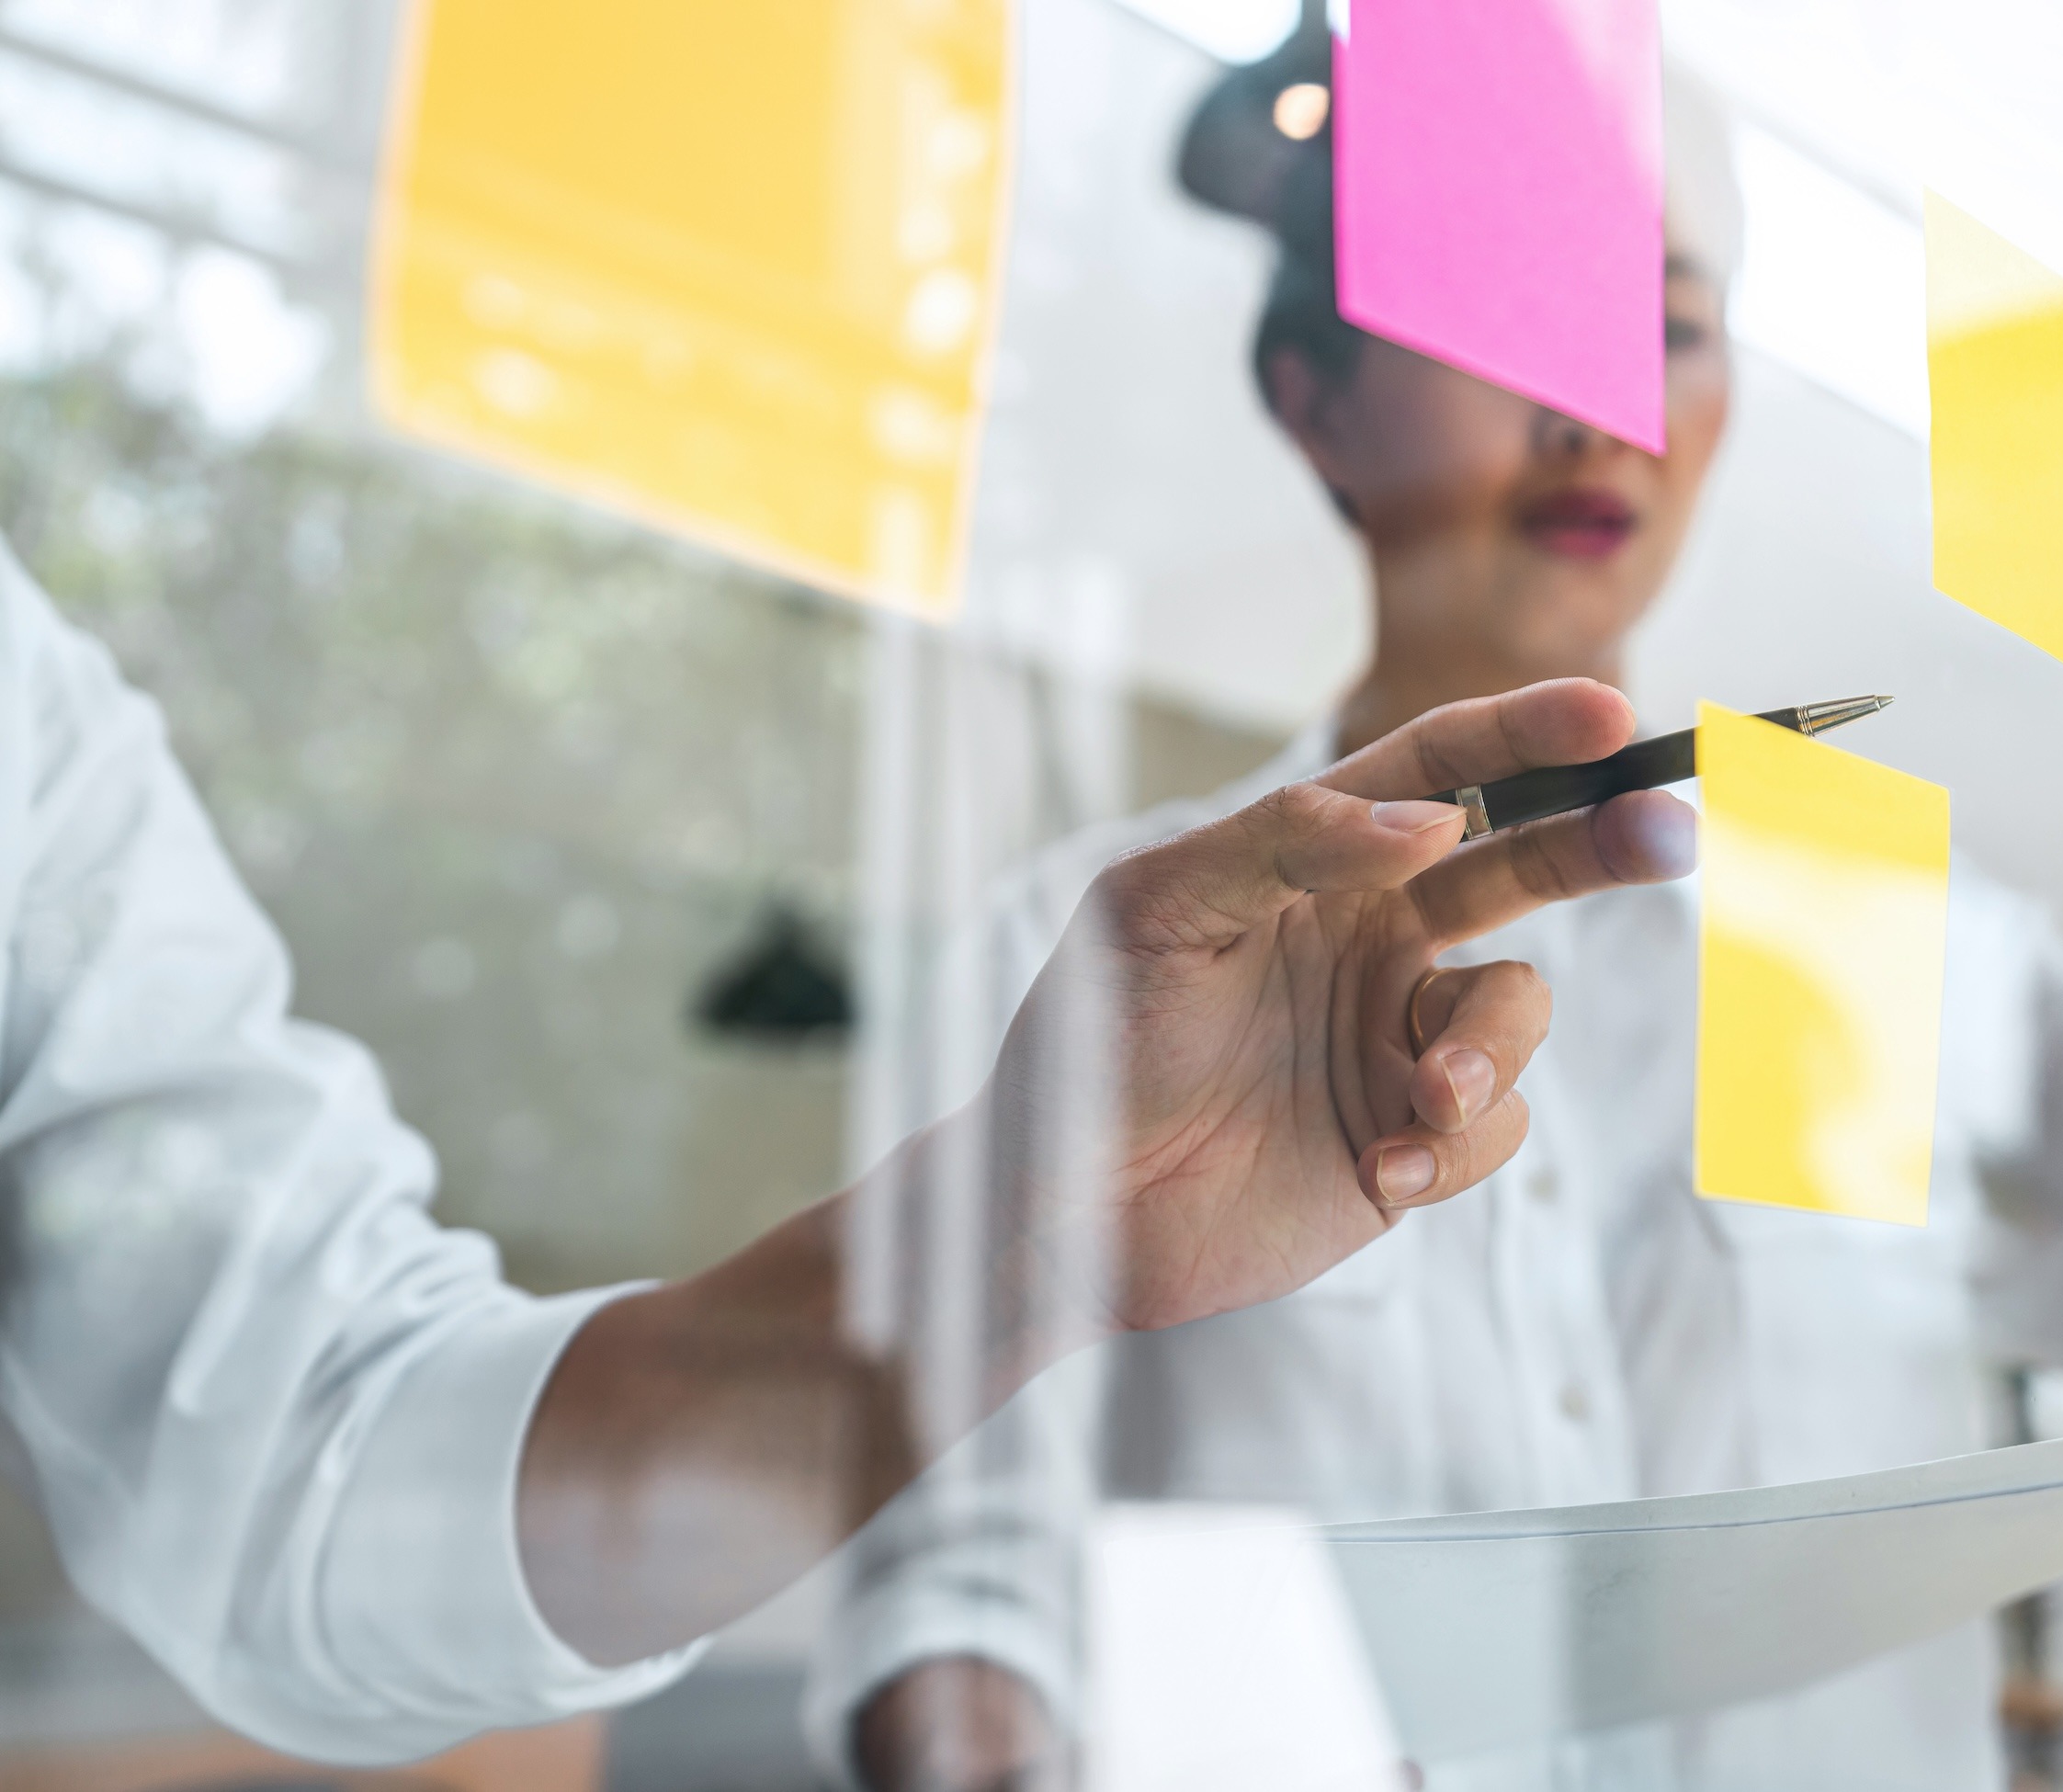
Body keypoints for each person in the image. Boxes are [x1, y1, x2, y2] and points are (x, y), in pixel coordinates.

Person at [820, 34, 2063, 1792]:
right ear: (1311, 397)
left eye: (1661, 324)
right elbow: (955, 1587)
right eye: (1501, 309)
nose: (1592, 396)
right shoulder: (1109, 956)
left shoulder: (1864, 933)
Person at [0, 527, 1696, 1761]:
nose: (1595, 418)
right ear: (1311, 395)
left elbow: (310, 1450)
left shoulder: (34, 736)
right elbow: (951, 1624)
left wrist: (1026, 1242)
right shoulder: (1086, 918)